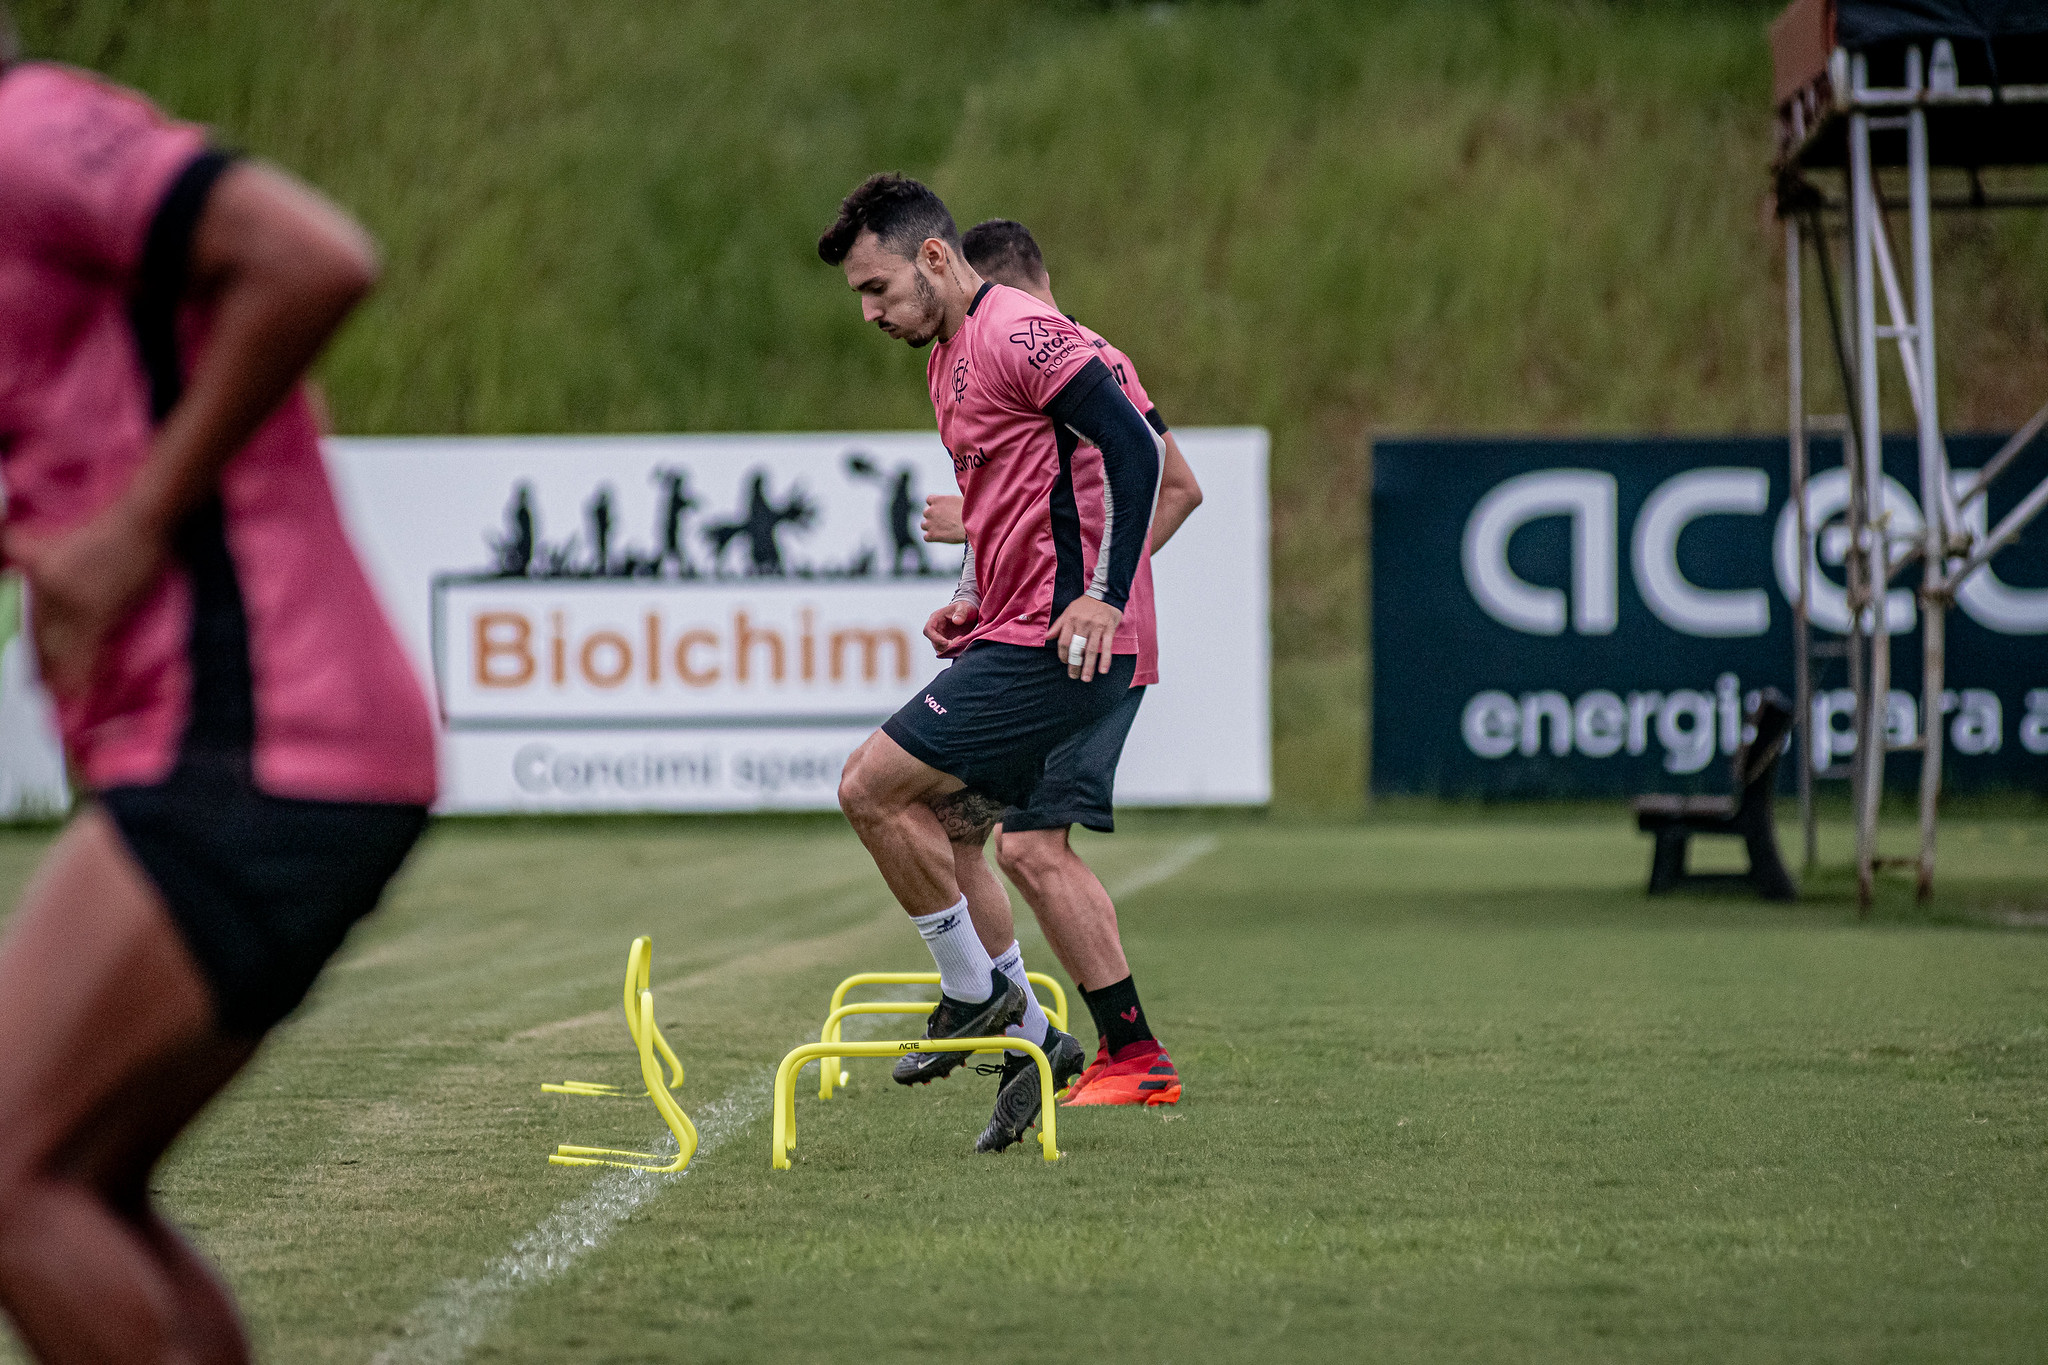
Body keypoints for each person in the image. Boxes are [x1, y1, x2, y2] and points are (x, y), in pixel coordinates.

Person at [0, 46, 437, 1365]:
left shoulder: (26, 134)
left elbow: (314, 256)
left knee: (11, 1180)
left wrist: (135, 526)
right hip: (245, 747)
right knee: (82, 1185)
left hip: (258, 735)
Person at [819, 174, 1163, 1152]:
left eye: (876, 288)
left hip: (1057, 642)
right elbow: (1015, 496)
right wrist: (972, 591)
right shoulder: (943, 362)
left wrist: (1099, 592)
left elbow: (1134, 452)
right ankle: (1031, 1040)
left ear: (934, 257)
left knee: (867, 787)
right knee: (946, 830)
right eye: (858, 295)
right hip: (1007, 627)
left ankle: (976, 998)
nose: (869, 312)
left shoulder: (1015, 331)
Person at [919, 219, 1198, 1106]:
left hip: (1081, 646)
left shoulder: (1067, 353)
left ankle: (1133, 1054)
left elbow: (1171, 481)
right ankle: (1013, 1023)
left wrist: (1103, 590)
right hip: (1047, 632)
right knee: (965, 827)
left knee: (1032, 844)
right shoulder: (1042, 351)